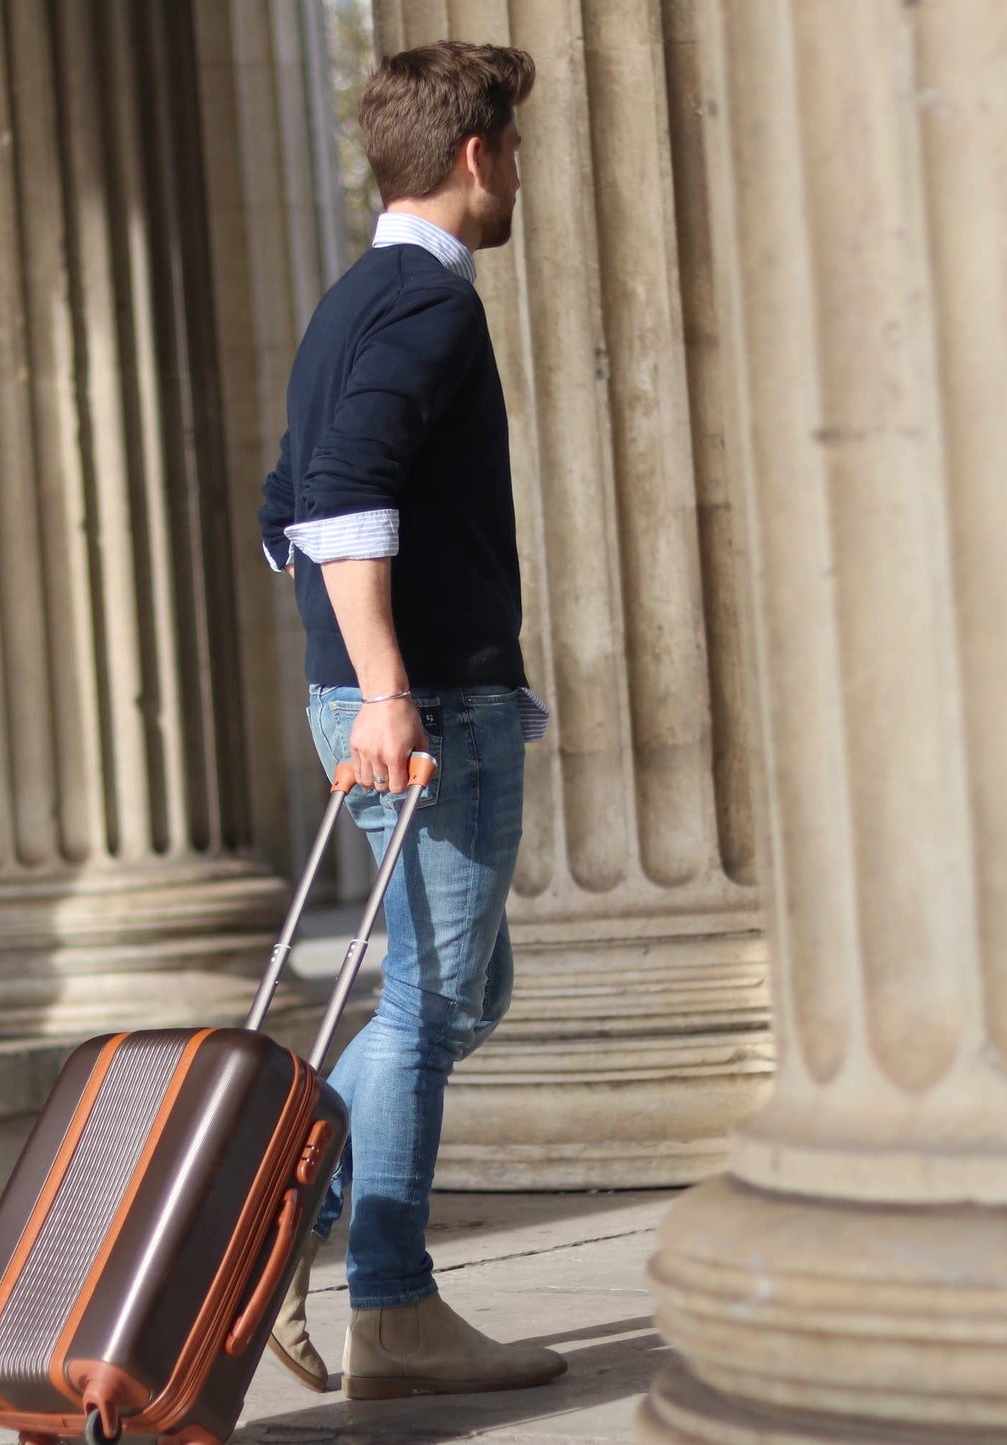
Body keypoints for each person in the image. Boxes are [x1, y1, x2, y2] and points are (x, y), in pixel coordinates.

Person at [258, 40, 563, 1401]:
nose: (519, 177)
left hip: (388, 692)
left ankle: (283, 1228)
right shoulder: (429, 307)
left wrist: (346, 671)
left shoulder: (349, 301)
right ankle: (382, 1298)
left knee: (462, 988)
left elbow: (282, 506)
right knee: (436, 1000)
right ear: (479, 156)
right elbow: (331, 496)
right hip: (427, 701)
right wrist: (382, 687)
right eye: (519, 152)